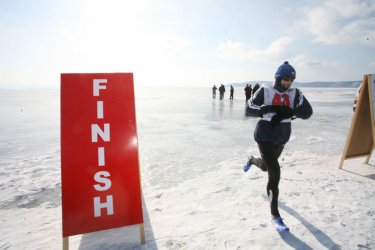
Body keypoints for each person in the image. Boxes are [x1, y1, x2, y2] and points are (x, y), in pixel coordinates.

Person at [243, 61, 313, 232]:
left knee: (266, 168)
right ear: (278, 77)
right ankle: (275, 216)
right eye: (286, 79)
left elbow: (307, 113)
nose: (289, 82)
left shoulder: (295, 93)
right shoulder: (265, 90)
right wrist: (272, 108)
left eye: (292, 79)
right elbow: (249, 109)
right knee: (275, 173)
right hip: (264, 136)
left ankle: (251, 160)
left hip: (281, 137)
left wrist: (290, 111)